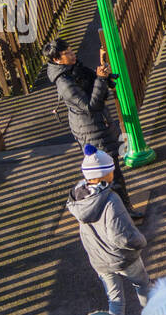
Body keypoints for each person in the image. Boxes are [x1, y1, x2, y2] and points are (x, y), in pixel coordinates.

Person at [44, 38, 138, 216]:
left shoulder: (74, 68)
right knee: (109, 170)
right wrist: (101, 80)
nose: (73, 54)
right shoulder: (64, 82)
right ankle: (123, 211)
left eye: (72, 50)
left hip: (99, 124)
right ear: (57, 59)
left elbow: (95, 81)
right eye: (67, 53)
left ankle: (121, 208)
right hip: (90, 129)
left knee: (110, 168)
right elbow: (90, 106)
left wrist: (102, 71)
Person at [66, 144, 150, 315]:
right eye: (111, 170)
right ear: (104, 174)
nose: (113, 173)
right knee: (142, 285)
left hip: (99, 260)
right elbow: (122, 236)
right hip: (123, 258)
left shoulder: (78, 198)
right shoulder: (110, 199)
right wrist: (141, 241)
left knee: (115, 299)